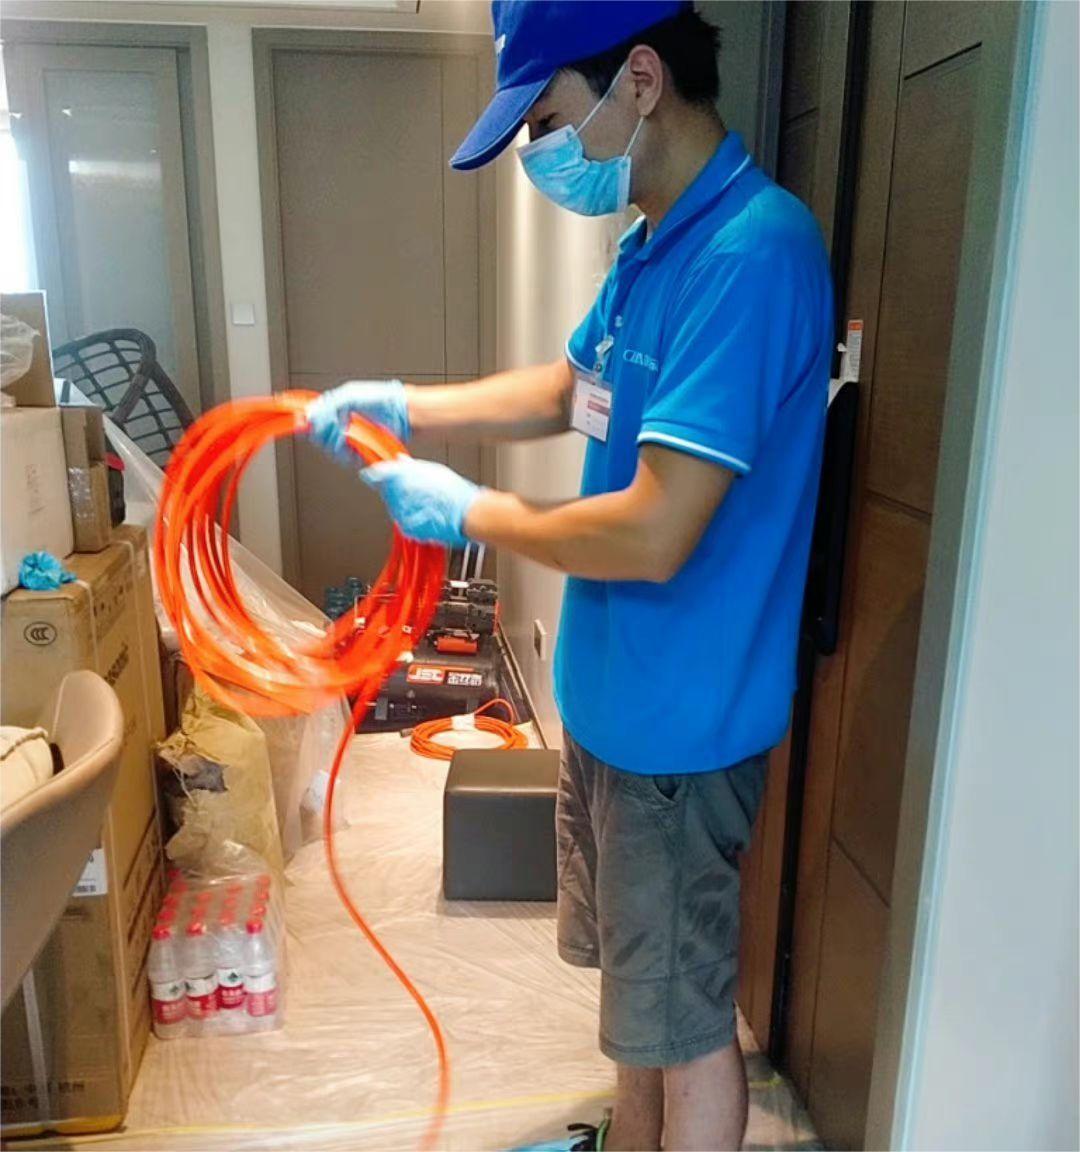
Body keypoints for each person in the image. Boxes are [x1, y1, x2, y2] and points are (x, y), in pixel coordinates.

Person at [309, 3, 832, 1148]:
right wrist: (407, 406)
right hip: (610, 708)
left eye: (547, 120)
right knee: (639, 1009)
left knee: (684, 1024)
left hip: (678, 733)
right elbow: (566, 390)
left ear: (639, 78)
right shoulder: (655, 242)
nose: (543, 153)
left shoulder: (753, 255)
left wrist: (471, 510)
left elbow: (654, 531)